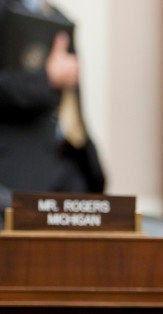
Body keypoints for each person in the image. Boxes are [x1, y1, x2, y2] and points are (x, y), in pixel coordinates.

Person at [0, 0, 105, 225]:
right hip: (16, 175)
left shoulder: (58, 17)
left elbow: (72, 102)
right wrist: (48, 79)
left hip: (72, 169)